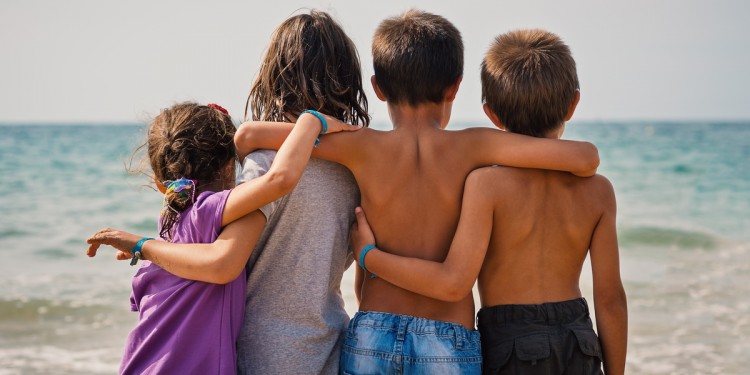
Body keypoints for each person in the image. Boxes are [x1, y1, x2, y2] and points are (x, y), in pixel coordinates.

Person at [234, 10, 600, 374]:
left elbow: (249, 135)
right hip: (448, 338)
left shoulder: (360, 146)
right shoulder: (475, 145)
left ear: (378, 88)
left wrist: (322, 124)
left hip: (373, 331)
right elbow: (584, 158)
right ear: (455, 86)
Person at [87, 11, 369, 375]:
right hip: (329, 346)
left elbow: (224, 260)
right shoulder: (357, 169)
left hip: (255, 352)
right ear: (347, 79)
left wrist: (143, 246)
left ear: (274, 78)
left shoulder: (264, 162)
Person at [348, 29, 628, 375]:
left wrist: (367, 256)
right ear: (573, 104)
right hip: (578, 339)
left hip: (509, 345)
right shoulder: (599, 191)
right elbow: (611, 299)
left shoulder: (487, 184)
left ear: (491, 114)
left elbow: (454, 277)